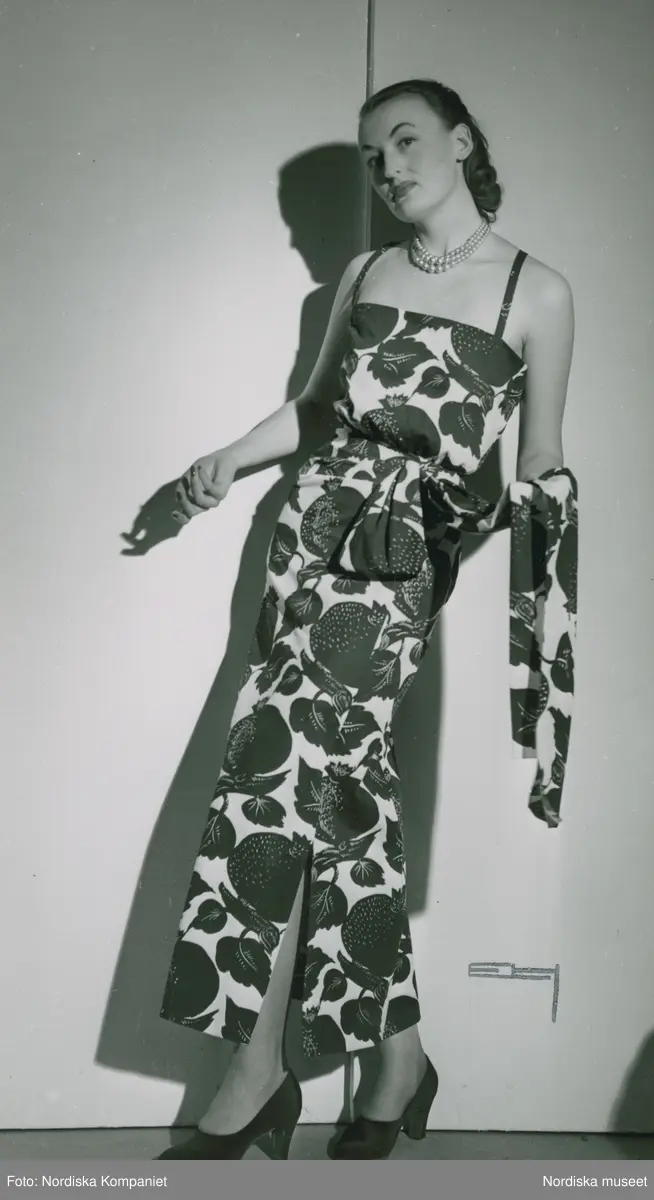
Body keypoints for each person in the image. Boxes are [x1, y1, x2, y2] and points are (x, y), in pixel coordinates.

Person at [156, 77, 577, 1161]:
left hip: (396, 571)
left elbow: (537, 456)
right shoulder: (362, 273)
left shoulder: (535, 291)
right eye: (372, 155)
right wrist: (226, 460)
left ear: (462, 141)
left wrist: (535, 516)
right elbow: (314, 410)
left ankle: (258, 1069)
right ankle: (393, 1061)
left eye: (406, 140)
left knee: (293, 786)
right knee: (315, 798)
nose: (389, 168)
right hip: (304, 545)